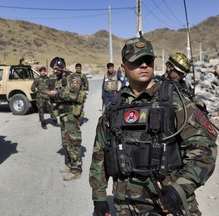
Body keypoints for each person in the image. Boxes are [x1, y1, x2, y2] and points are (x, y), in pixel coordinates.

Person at [89, 36, 218, 215]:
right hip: (125, 206)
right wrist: (100, 198)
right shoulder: (113, 108)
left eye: (148, 60)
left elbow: (205, 151)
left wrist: (178, 191)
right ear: (123, 67)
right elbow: (100, 155)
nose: (144, 65)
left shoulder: (175, 101)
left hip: (168, 205)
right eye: (137, 61)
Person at [46, 57, 83, 181]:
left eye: (56, 68)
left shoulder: (73, 78)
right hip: (63, 115)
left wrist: (57, 94)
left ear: (62, 65)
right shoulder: (59, 79)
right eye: (53, 69)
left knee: (74, 143)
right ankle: (69, 164)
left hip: (71, 115)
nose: (55, 71)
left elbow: (73, 95)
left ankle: (76, 170)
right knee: (66, 142)